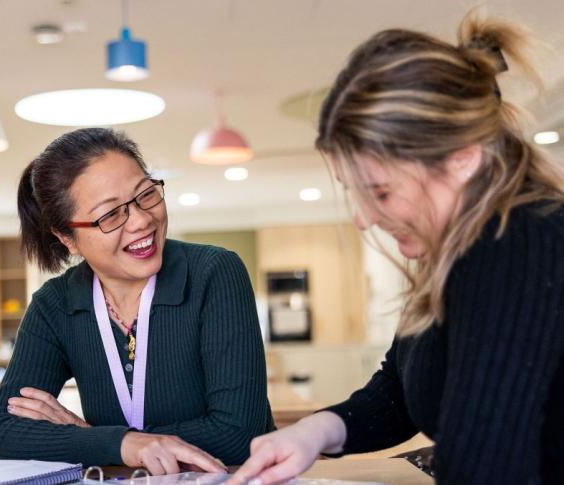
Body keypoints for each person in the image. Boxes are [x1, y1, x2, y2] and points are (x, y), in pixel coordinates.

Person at [232, 11, 564, 485]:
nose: (365, 218)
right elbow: (400, 394)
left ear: (463, 160)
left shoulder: (518, 245)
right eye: (356, 193)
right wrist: (313, 431)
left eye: (381, 192)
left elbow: (486, 466)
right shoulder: (454, 250)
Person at [0, 127, 275, 475]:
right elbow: (3, 433)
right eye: (110, 215)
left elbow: (239, 434)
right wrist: (122, 444)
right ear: (68, 238)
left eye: (146, 194)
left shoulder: (213, 273)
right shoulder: (56, 305)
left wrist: (92, 438)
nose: (141, 220)